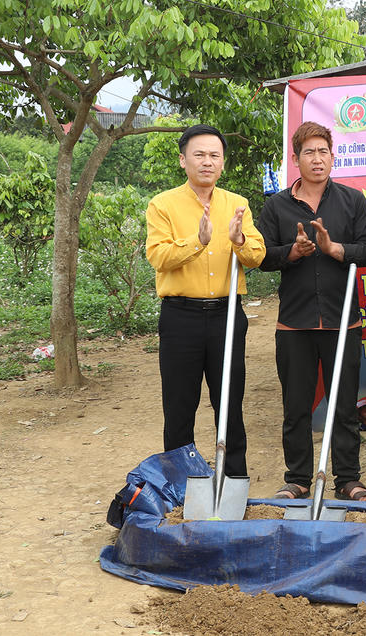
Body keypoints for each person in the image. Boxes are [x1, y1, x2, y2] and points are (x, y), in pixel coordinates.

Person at [256, 121, 366, 502]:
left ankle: (348, 480)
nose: (317, 158)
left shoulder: (352, 200)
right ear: (296, 159)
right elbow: (262, 257)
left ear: (333, 156)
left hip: (344, 321)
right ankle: (298, 479)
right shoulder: (276, 206)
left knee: (344, 405)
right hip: (294, 322)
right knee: (296, 406)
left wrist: (333, 249)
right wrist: (293, 252)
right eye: (309, 152)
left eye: (323, 151)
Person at [145, 124, 265, 478]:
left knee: (229, 401)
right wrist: (197, 242)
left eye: (214, 155)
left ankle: (234, 479)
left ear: (223, 163)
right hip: (181, 316)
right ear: (183, 160)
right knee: (180, 405)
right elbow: (158, 257)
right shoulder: (162, 204)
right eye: (199, 154)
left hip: (228, 316)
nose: (207, 162)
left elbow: (256, 256)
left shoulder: (237, 205)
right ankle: (180, 483)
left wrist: (240, 240)